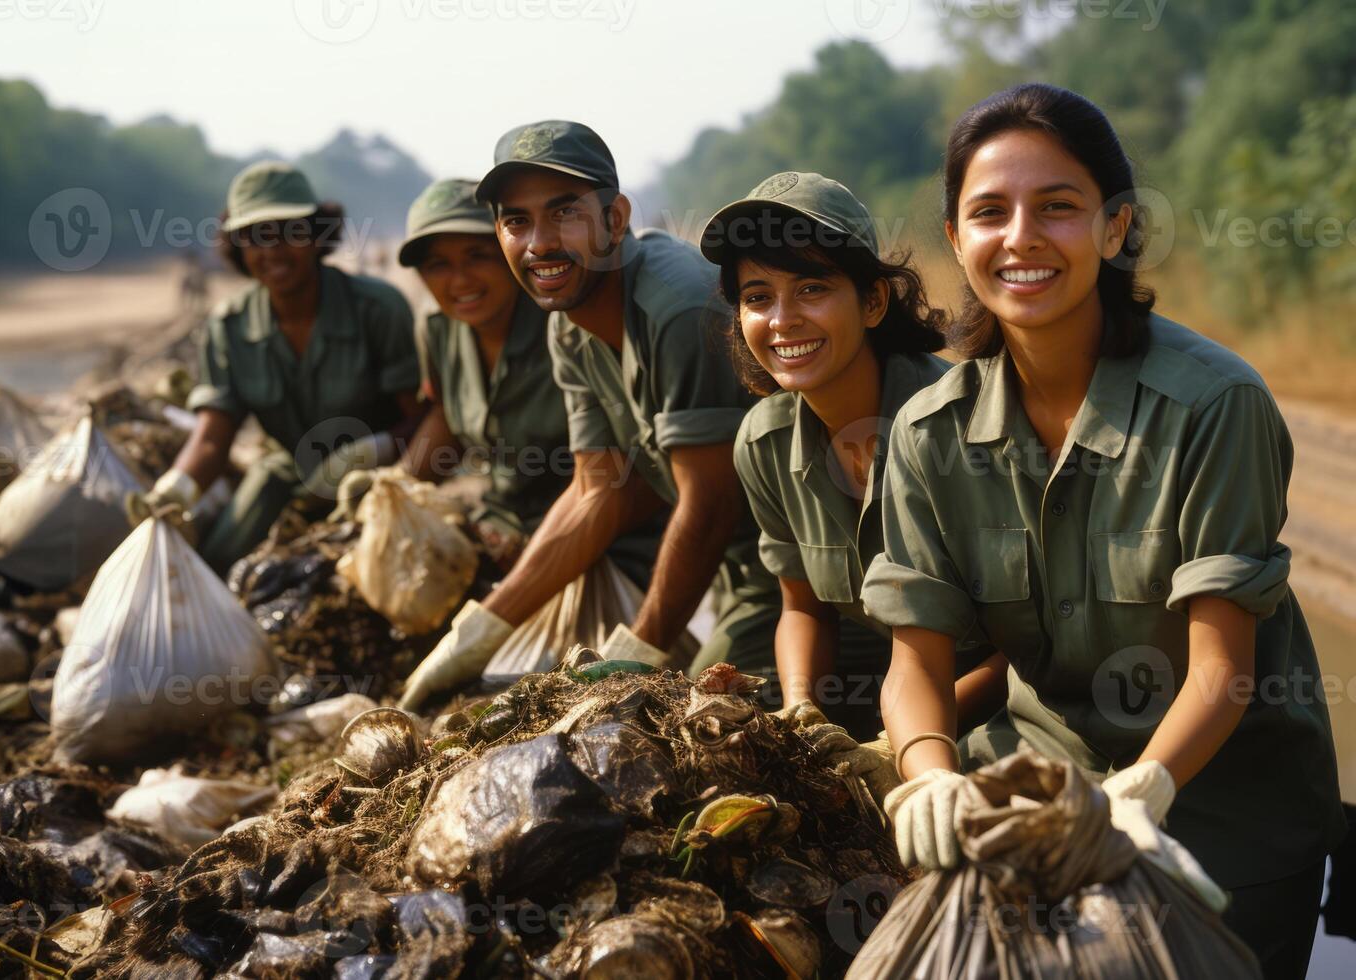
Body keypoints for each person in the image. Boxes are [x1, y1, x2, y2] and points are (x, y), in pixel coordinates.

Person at [861, 83, 1342, 978]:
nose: (1022, 238)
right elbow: (917, 664)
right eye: (989, 213)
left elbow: (1223, 670)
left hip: (1220, 803)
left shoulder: (1213, 404)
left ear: (1116, 230)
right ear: (957, 241)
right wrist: (927, 771)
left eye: (1058, 208)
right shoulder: (928, 434)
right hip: (1036, 782)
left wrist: (1148, 788)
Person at [400, 120, 778, 711]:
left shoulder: (677, 309)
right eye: (516, 221)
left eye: (565, 213)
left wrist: (637, 654)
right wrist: (476, 636)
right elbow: (596, 488)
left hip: (801, 575)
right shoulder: (568, 330)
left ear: (616, 218)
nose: (540, 244)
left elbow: (707, 506)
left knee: (716, 726)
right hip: (740, 573)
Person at [703, 171, 1008, 742]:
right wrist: (801, 713)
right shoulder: (763, 443)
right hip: (886, 686)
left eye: (812, 289)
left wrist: (900, 744)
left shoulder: (967, 428)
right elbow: (803, 609)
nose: (782, 320)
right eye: (757, 298)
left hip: (1005, 699)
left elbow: (1027, 648)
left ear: (872, 301)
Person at [135, 162, 423, 574]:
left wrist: (368, 452)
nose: (273, 251)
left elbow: (423, 420)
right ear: (237, 247)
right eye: (255, 236)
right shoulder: (229, 326)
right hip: (287, 470)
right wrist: (176, 489)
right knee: (216, 566)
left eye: (291, 231)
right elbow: (215, 435)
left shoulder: (377, 309)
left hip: (378, 479)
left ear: (317, 234)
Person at [394, 176, 661, 580]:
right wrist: (395, 487)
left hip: (606, 538)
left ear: (507, 250)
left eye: (477, 256)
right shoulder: (436, 329)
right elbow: (448, 413)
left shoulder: (569, 322)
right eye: (438, 265)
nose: (461, 280)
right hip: (503, 523)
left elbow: (627, 477)